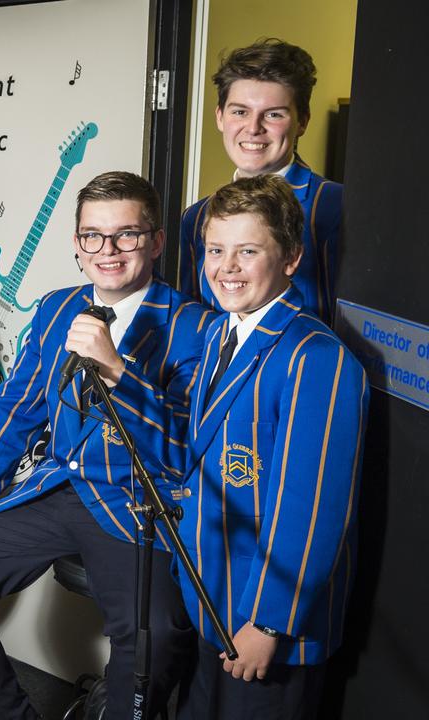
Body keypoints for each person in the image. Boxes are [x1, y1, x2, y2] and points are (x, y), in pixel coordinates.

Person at [0, 172, 214, 719]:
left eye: (127, 235)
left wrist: (118, 371)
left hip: (135, 504)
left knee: (156, 640)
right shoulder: (54, 309)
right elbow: (15, 410)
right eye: (92, 235)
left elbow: (185, 448)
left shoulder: (195, 326)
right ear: (76, 243)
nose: (108, 250)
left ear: (157, 241)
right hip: (57, 487)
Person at [175, 174, 367, 720]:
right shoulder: (219, 334)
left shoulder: (316, 359)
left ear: (290, 258)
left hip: (266, 621)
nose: (226, 267)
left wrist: (268, 622)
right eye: (216, 249)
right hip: (213, 598)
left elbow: (312, 514)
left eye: (248, 250)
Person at [176, 39, 342, 325]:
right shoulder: (196, 217)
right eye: (240, 112)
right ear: (220, 117)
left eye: (274, 114)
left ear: (302, 121)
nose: (253, 128)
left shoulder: (337, 206)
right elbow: (196, 324)